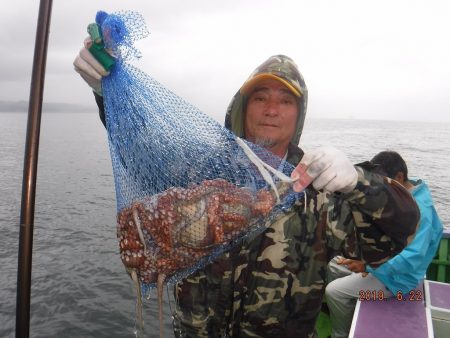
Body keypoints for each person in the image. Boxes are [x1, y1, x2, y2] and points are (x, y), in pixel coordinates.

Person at [74, 43, 420, 337]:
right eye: (260, 98)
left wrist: (361, 182)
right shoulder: (200, 168)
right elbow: (142, 152)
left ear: (298, 115)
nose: (271, 109)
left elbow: (396, 237)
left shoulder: (320, 190)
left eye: (286, 101)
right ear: (243, 106)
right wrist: (109, 94)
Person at [325, 150, 443, 338]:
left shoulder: (422, 212)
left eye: (385, 183)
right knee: (333, 264)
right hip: (383, 267)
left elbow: (410, 260)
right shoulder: (405, 196)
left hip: (398, 282)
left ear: (399, 176)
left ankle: (341, 333)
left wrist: (368, 266)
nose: (381, 188)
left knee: (334, 291)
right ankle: (347, 306)